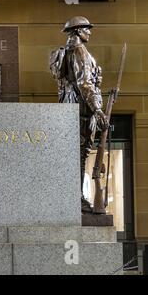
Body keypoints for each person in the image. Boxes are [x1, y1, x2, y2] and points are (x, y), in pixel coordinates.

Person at [50, 16, 109, 213]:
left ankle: (73, 197)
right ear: (77, 31)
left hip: (70, 107)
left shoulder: (67, 51)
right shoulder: (80, 51)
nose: (89, 32)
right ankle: (75, 199)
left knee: (74, 155)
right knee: (80, 155)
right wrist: (97, 109)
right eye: (86, 29)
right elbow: (85, 83)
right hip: (81, 110)